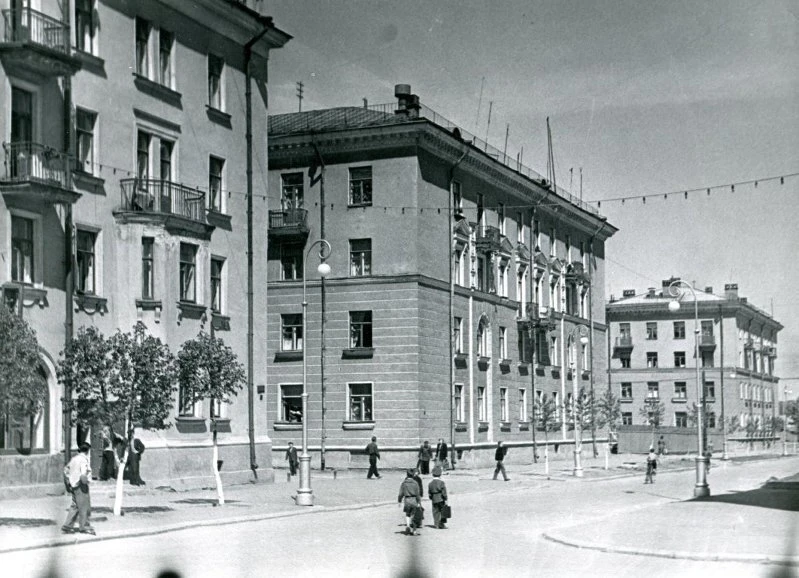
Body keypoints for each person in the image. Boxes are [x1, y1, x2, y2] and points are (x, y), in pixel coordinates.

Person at [62, 442, 96, 535]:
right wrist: (85, 482)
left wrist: (69, 482)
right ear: (87, 451)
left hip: (73, 485)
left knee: (75, 505)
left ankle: (67, 525)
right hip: (81, 485)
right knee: (84, 506)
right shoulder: (83, 460)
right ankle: (84, 526)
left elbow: (66, 470)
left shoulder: (74, 459)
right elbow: (83, 474)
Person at [397, 469, 423, 535]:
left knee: (407, 514)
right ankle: (414, 530)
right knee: (413, 515)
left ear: (407, 475)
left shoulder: (404, 483)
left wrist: (399, 501)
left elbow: (400, 493)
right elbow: (417, 494)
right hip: (414, 500)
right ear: (413, 475)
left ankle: (408, 526)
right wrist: (419, 502)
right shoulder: (415, 483)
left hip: (407, 500)